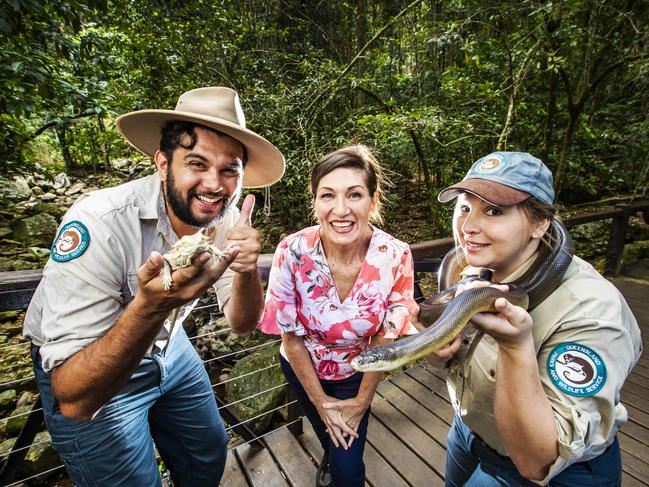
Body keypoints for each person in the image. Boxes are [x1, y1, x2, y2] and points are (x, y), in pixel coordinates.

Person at [23, 87, 285, 486]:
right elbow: (74, 399)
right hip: (91, 358)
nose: (214, 185)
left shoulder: (228, 219)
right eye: (197, 163)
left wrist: (249, 269)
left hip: (170, 345)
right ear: (163, 163)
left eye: (229, 170)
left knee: (208, 453)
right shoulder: (99, 222)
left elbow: (243, 324)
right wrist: (150, 306)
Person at [424, 151, 642, 486]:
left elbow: (537, 462)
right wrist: (438, 353)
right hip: (469, 433)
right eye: (465, 207)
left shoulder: (593, 312)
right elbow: (449, 360)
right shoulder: (475, 272)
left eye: (494, 210)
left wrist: (515, 347)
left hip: (552, 471)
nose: (468, 226)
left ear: (540, 223)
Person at [258, 145, 418, 487]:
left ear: (373, 202)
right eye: (328, 195)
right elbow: (291, 337)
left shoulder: (395, 255)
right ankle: (329, 457)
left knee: (348, 471)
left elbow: (384, 339)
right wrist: (321, 403)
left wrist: (361, 402)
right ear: (315, 202)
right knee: (327, 433)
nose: (341, 210)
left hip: (359, 374)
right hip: (302, 367)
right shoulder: (292, 250)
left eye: (355, 194)